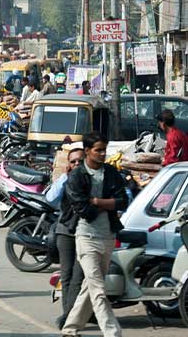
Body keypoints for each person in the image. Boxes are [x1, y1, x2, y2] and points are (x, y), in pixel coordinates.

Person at [61, 132, 127, 337]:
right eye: (98, 150)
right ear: (88, 151)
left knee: (90, 287)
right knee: (98, 289)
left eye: (104, 150)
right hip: (86, 237)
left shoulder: (111, 173)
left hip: (107, 237)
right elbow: (83, 210)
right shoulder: (77, 176)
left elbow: (122, 201)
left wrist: (97, 201)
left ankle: (70, 328)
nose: (102, 154)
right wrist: (109, 204)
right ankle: (112, 332)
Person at [46, 149, 86, 329]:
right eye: (73, 162)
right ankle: (68, 315)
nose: (77, 165)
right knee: (67, 276)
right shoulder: (65, 180)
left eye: (80, 161)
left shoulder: (91, 179)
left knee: (79, 276)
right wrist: (64, 178)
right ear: (69, 164)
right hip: (65, 232)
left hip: (86, 233)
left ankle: (69, 315)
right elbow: (51, 198)